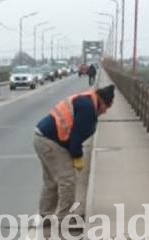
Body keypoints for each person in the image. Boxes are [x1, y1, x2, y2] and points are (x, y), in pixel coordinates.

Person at [33, 84, 115, 225]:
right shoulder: (88, 108)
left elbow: (73, 134)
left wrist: (75, 153)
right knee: (68, 180)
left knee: (51, 181)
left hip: (41, 137)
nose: (105, 112)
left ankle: (45, 216)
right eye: (106, 108)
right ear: (102, 102)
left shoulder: (86, 100)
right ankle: (65, 219)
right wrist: (77, 156)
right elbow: (76, 138)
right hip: (50, 141)